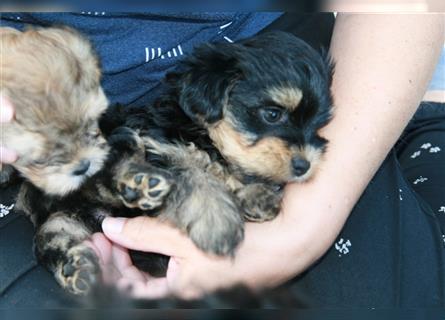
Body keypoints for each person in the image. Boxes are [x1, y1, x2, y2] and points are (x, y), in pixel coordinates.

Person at [1, 12, 444, 307]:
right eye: (271, 118)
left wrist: (305, 231)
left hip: (285, 44)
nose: (302, 155)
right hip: (39, 124)